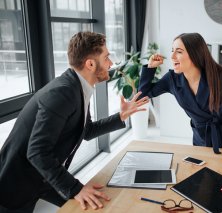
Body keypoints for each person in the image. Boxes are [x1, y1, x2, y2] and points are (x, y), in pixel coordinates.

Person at [0, 31, 149, 212]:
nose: (111, 63)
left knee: (92, 206)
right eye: (107, 57)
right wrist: (76, 189)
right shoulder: (63, 93)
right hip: (15, 184)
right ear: (90, 64)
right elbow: (37, 152)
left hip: (42, 175)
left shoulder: (78, 87)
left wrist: (121, 116)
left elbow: (86, 131)